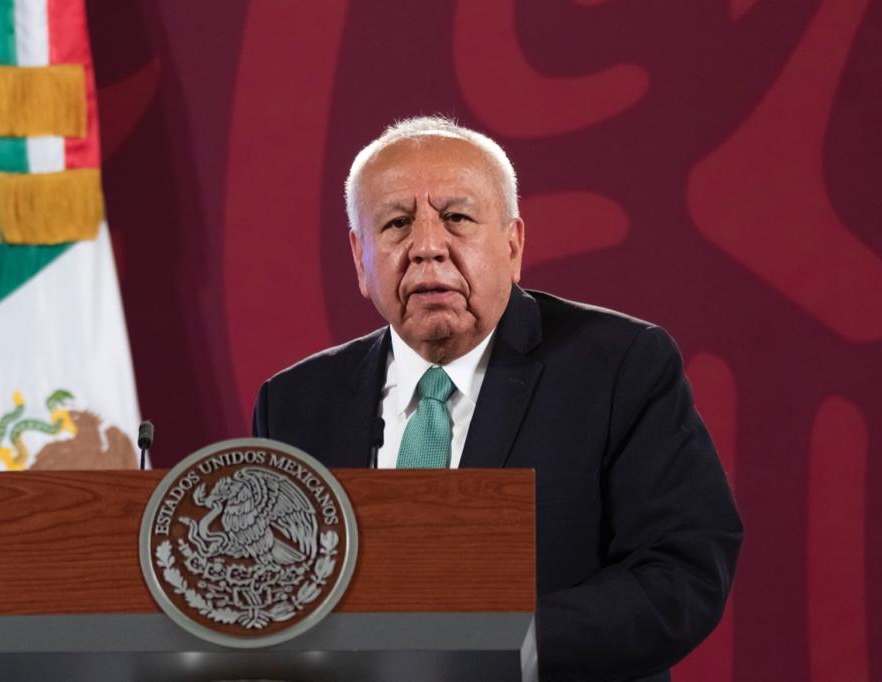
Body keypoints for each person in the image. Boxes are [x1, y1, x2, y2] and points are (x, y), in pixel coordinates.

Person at [252, 116, 742, 681]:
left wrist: (503, 644)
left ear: (512, 245)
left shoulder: (619, 367)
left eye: (456, 218)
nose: (427, 247)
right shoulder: (294, 404)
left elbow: (683, 571)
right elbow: (269, 600)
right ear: (360, 257)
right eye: (397, 223)